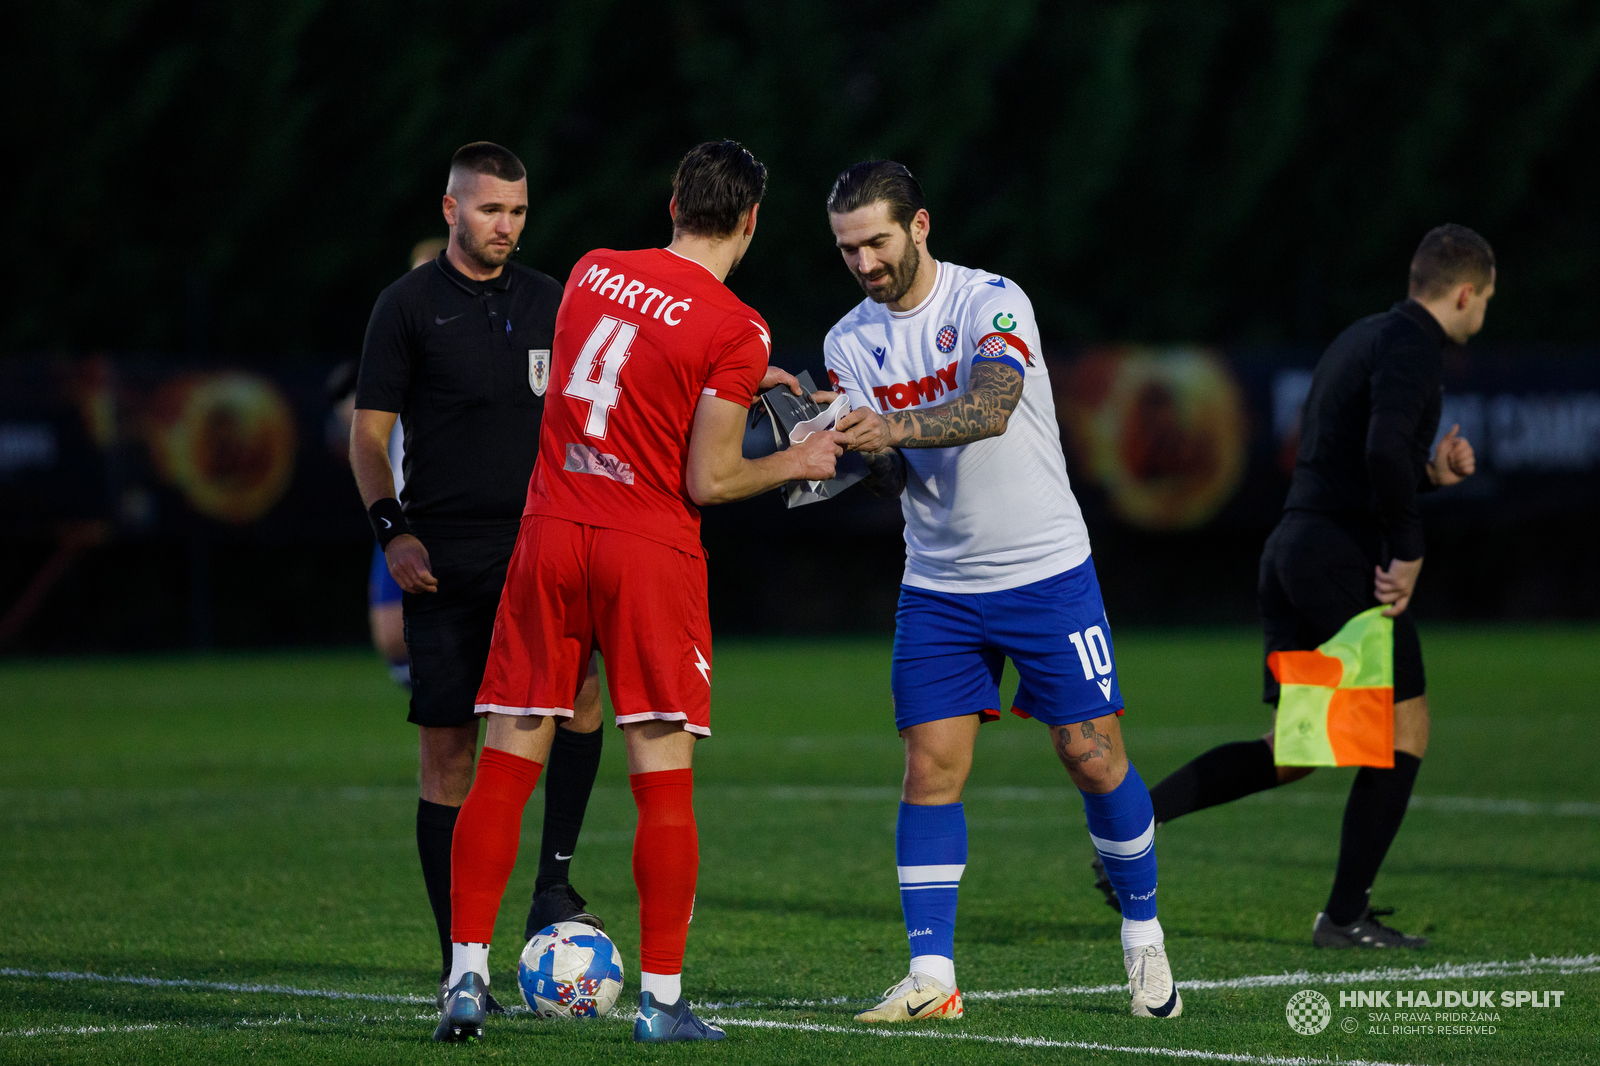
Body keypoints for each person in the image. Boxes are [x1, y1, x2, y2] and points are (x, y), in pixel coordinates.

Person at [433, 140, 842, 1044]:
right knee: (661, 781)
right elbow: (709, 477)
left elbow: (638, 362)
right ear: (751, 220)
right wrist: (798, 460)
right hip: (646, 551)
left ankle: (465, 978)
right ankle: (660, 1004)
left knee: (505, 763)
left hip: (549, 535)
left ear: (671, 203)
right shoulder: (739, 327)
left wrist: (727, 387)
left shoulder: (590, 270)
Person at [821, 161, 1181, 1022]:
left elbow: (993, 402)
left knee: (1092, 755)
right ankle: (932, 979)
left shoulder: (991, 300)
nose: (865, 261)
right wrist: (847, 449)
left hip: (1046, 571)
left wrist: (892, 424)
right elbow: (893, 477)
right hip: (938, 585)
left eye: (876, 240)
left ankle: (1145, 940)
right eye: (847, 247)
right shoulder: (848, 341)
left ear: (920, 227)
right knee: (929, 771)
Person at [1111, 225, 1491, 949]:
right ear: (1466, 291)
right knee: (1404, 733)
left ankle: (1133, 827)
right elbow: (1380, 450)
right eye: (1487, 300)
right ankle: (1345, 917)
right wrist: (1408, 550)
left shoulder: (1365, 336)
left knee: (1297, 749)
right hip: (1339, 562)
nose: (1484, 313)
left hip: (1294, 549)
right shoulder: (1414, 346)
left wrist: (1432, 476)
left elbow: (1355, 458)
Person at [349, 143, 611, 1008]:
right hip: (445, 559)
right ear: (453, 209)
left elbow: (622, 385)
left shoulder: (552, 301)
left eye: (520, 211)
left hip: (541, 545)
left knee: (581, 700)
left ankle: (553, 886)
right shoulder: (407, 306)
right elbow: (368, 434)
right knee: (450, 759)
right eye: (492, 209)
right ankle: (460, 962)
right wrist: (394, 532)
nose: (508, 226)